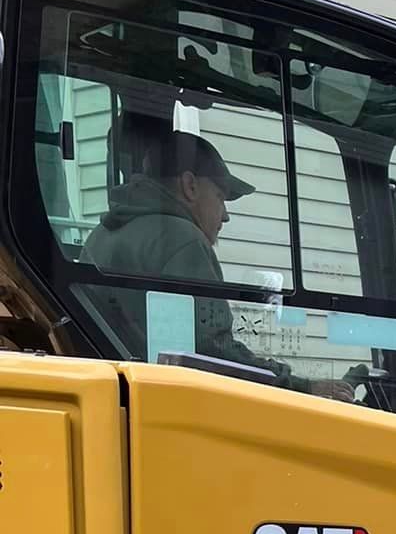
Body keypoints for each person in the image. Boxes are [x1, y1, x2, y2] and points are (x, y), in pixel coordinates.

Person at [82, 133, 351, 400]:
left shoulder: (102, 235)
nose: (226, 215)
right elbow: (214, 350)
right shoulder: (181, 238)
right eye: (220, 197)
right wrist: (301, 387)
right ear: (190, 186)